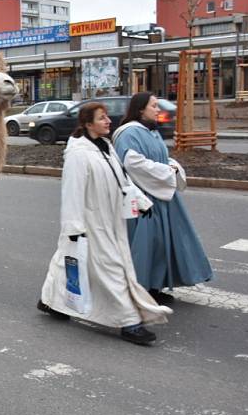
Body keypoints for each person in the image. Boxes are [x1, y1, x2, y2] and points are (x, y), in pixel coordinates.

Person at [39, 102, 172, 345]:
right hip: (91, 223)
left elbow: (121, 179)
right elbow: (72, 191)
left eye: (107, 117)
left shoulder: (105, 147)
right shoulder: (79, 153)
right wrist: (73, 228)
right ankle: (129, 322)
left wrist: (141, 202)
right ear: (88, 124)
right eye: (102, 118)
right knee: (111, 270)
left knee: (68, 262)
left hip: (111, 220)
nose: (108, 121)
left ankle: (52, 301)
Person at [112, 92, 212, 304]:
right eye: (154, 106)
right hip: (143, 199)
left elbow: (160, 158)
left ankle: (154, 286)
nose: (158, 110)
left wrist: (171, 166)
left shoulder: (152, 132)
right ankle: (142, 290)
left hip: (160, 194)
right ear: (141, 109)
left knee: (162, 243)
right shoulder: (128, 133)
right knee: (148, 246)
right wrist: (167, 171)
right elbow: (133, 164)